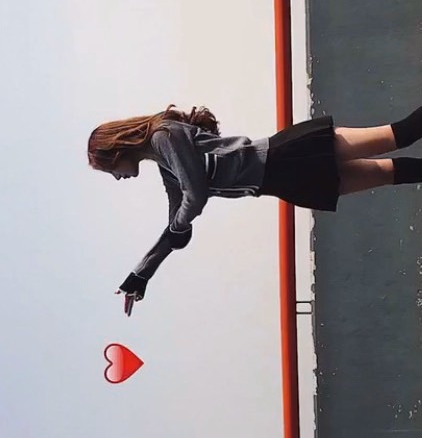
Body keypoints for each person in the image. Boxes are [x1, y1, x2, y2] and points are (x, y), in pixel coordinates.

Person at [87, 103, 422, 316]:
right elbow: (177, 226)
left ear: (116, 151)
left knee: (401, 134)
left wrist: (180, 226)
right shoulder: (167, 168)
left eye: (110, 170)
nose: (117, 177)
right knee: (391, 173)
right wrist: (141, 273)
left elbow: (196, 194)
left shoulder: (165, 137)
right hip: (282, 183)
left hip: (286, 155)